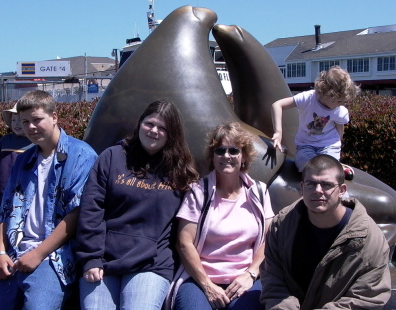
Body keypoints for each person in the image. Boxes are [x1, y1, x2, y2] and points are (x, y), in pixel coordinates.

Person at [0, 90, 98, 310]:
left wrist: (38, 254)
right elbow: (6, 210)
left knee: (38, 306)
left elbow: (77, 212)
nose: (31, 127)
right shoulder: (23, 159)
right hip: (14, 250)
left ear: (54, 117)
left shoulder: (81, 155)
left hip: (54, 255)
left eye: (37, 120)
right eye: (25, 122)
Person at [76, 99, 199, 310]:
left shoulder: (180, 171)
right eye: (149, 124)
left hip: (151, 264)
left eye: (162, 128)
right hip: (103, 260)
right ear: (140, 123)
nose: (154, 131)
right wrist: (91, 258)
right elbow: (91, 210)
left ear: (172, 135)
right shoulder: (112, 157)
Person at [260, 154, 391, 310]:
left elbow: (367, 298)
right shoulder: (281, 225)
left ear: (342, 190)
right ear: (302, 187)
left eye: (327, 185)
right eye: (311, 184)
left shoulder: (369, 239)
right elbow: (273, 279)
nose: (317, 190)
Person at [166, 122, 274, 310]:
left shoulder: (259, 192)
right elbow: (184, 243)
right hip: (200, 280)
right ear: (213, 156)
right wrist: (207, 285)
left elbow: (268, 238)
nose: (226, 156)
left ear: (244, 156)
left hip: (245, 279)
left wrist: (251, 274)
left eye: (233, 150)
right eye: (220, 150)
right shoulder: (199, 192)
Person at [271, 66, 360, 177]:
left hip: (328, 145)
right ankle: (336, 168)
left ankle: (336, 166)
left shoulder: (339, 111)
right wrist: (278, 132)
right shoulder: (308, 98)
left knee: (328, 166)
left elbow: (339, 131)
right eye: (339, 101)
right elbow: (277, 105)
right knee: (304, 164)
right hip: (305, 145)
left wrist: (336, 146)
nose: (342, 104)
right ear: (328, 94)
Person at [0, 102, 33, 226]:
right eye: (13, 120)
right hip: (1, 194)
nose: (16, 124)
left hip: (26, 196)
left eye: (20, 120)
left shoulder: (35, 142)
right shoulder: (5, 140)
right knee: (1, 230)